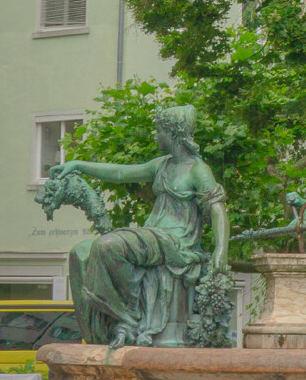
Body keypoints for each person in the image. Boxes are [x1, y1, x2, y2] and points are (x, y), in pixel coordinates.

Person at [55, 105, 229, 348]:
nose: (156, 136)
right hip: (152, 237)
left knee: (107, 245)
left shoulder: (198, 170)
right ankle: (102, 330)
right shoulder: (162, 165)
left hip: (174, 242)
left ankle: (128, 317)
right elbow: (119, 173)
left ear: (173, 133)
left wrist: (221, 249)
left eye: (159, 130)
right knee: (82, 253)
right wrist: (78, 165)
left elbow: (217, 209)